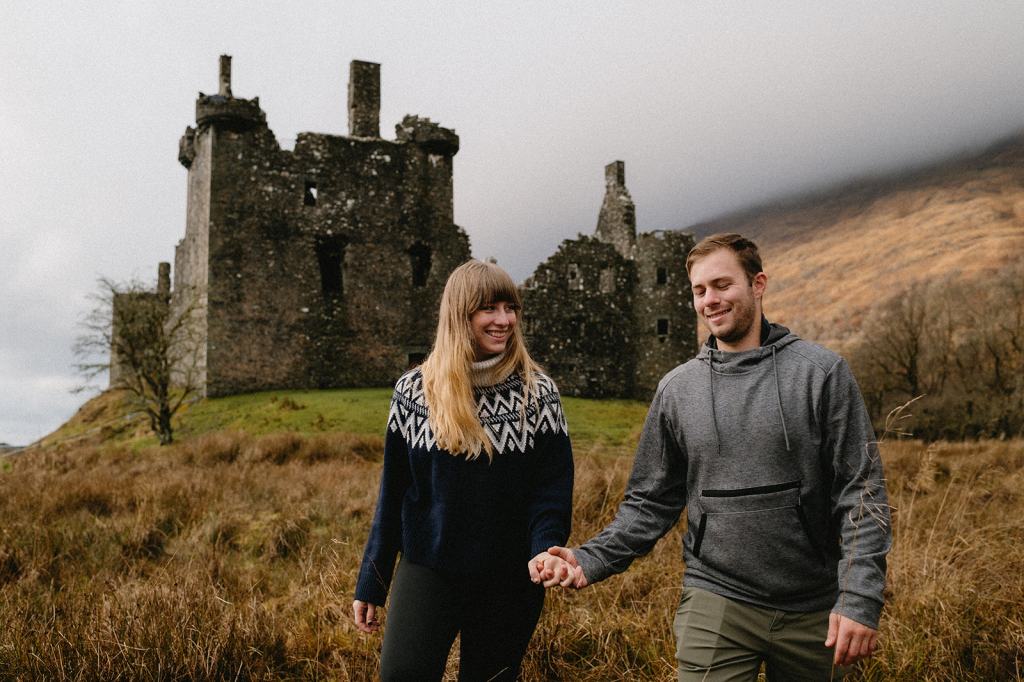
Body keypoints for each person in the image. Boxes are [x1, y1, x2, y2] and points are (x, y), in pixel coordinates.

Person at [533, 233, 892, 680]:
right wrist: (589, 559)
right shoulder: (677, 390)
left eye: (722, 285)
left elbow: (862, 492)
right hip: (716, 598)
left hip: (815, 608)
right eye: (699, 291)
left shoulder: (821, 374)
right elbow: (650, 501)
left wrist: (859, 597)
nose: (710, 300)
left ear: (758, 285)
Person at [353, 259, 574, 681]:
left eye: (510, 308)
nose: (504, 320)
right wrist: (372, 580)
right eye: (489, 309)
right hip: (428, 568)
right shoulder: (415, 392)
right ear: (460, 314)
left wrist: (546, 546)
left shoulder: (538, 392)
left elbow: (552, 488)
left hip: (510, 577)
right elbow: (394, 492)